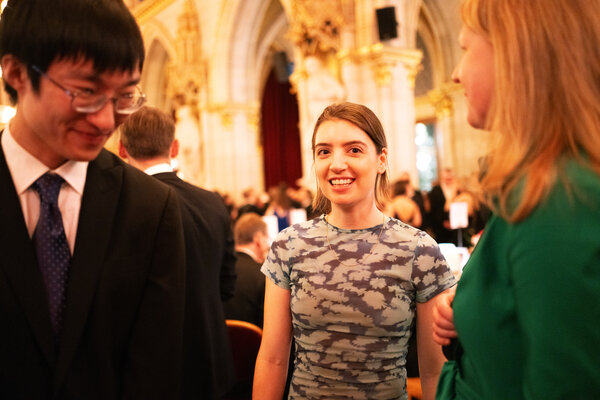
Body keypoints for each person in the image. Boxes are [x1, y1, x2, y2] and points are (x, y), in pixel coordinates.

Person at [0, 1, 186, 398]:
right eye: (86, 93)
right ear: (16, 73)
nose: (106, 121)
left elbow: (156, 370)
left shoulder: (150, 208)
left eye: (125, 96)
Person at [432, 0, 600, 398]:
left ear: (514, 54)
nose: (456, 74)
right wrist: (475, 309)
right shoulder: (539, 184)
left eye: (465, 49)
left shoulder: (560, 198)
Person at [253, 102, 456, 400]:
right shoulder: (289, 245)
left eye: (354, 150)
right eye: (324, 151)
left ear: (381, 160)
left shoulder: (419, 250)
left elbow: (434, 371)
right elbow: (272, 359)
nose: (336, 164)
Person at [118, 106, 237, 399]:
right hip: (210, 363)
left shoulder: (122, 204)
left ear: (121, 149)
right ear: (174, 148)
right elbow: (226, 285)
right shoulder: (212, 203)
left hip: (149, 370)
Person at [224, 212, 270, 327]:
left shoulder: (221, 270)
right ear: (258, 238)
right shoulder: (263, 275)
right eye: (266, 238)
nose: (268, 243)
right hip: (255, 337)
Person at [428, 167, 461, 244]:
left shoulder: (458, 190)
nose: (448, 179)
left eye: (450, 178)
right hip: (440, 226)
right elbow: (433, 210)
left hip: (456, 226)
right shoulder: (436, 190)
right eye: (447, 178)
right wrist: (443, 222)